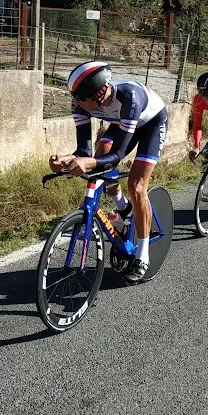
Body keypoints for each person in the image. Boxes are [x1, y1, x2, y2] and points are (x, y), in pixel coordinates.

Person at [49, 61, 167, 284]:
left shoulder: (129, 97)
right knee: (99, 152)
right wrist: (68, 159)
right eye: (75, 98)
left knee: (137, 186)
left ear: (100, 93)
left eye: (81, 99)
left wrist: (87, 161)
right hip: (123, 122)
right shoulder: (81, 102)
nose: (77, 103)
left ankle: (142, 256)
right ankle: (124, 208)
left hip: (151, 123)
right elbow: (84, 151)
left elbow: (117, 155)